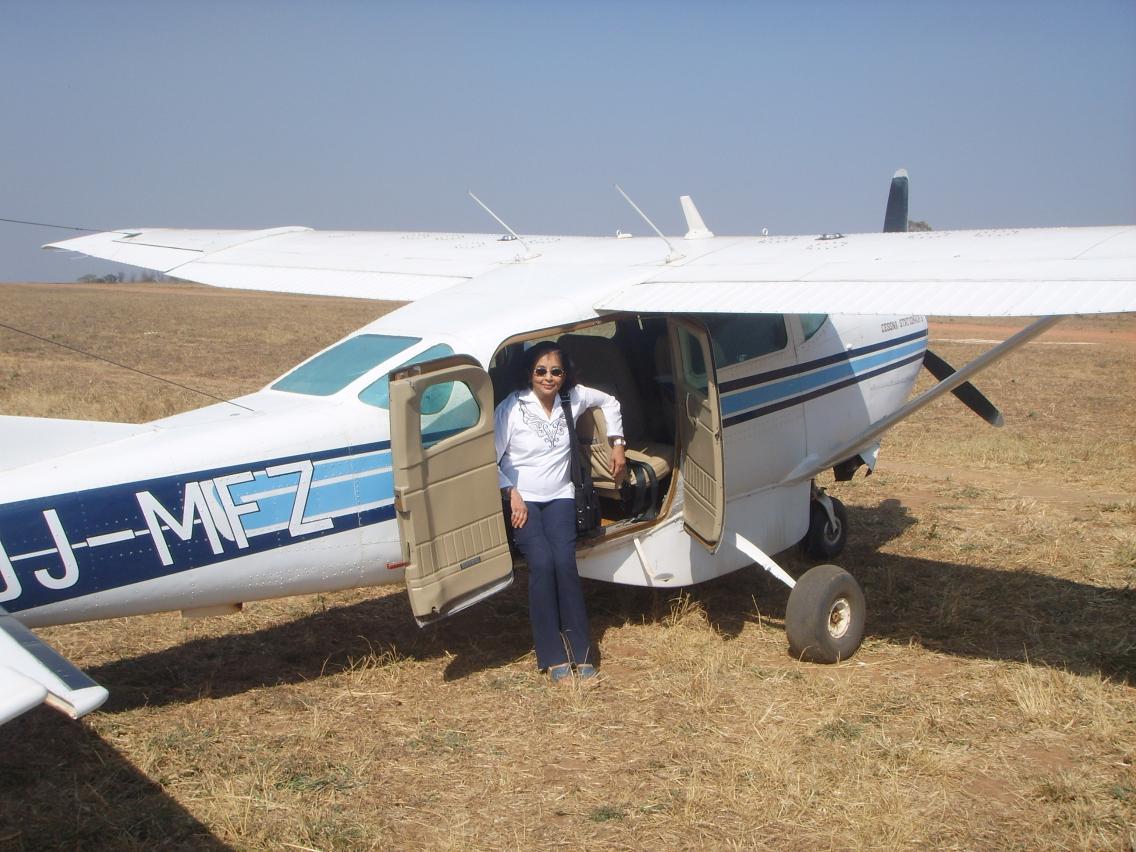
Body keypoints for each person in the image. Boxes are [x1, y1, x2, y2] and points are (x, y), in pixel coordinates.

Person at [494, 340, 627, 684]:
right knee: (542, 564)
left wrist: (618, 444)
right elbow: (490, 461)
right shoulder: (512, 407)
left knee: (565, 564)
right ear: (530, 373)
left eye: (556, 371)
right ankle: (552, 655)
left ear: (564, 375)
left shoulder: (574, 398)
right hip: (524, 500)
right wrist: (511, 493)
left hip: (561, 497)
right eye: (541, 371)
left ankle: (581, 653)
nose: (548, 378)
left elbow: (610, 402)